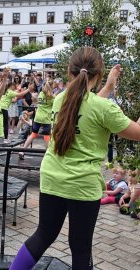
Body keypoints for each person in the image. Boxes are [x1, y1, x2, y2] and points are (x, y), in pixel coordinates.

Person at [9, 47, 140, 270]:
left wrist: (108, 88)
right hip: (81, 184)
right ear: (98, 74)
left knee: (43, 235)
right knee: (80, 246)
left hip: (52, 177)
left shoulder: (61, 99)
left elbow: (87, 107)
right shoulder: (104, 108)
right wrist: (107, 89)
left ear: (70, 72)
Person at [18, 82, 55, 159]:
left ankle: (22, 150)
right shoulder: (51, 97)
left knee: (33, 134)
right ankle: (47, 155)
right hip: (46, 118)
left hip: (37, 117)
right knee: (47, 136)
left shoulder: (41, 93)